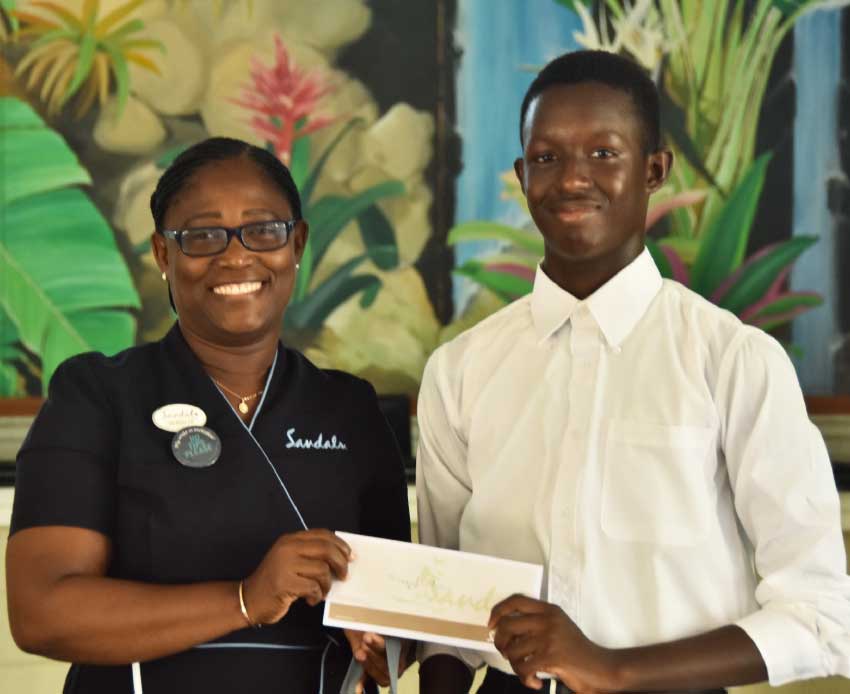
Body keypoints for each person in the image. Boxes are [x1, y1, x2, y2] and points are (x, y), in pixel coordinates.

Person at [416, 50, 850, 693]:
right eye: (547, 157)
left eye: (603, 153)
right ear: (520, 173)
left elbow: (823, 620)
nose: (571, 179)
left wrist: (612, 670)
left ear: (655, 170)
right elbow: (439, 601)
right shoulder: (460, 370)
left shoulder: (731, 361)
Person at [6, 137, 411, 693]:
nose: (237, 255)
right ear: (162, 253)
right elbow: (42, 612)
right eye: (202, 235)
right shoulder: (98, 396)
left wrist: (381, 637)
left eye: (263, 230)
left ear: (297, 243)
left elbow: (399, 619)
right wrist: (246, 598)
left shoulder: (350, 409)